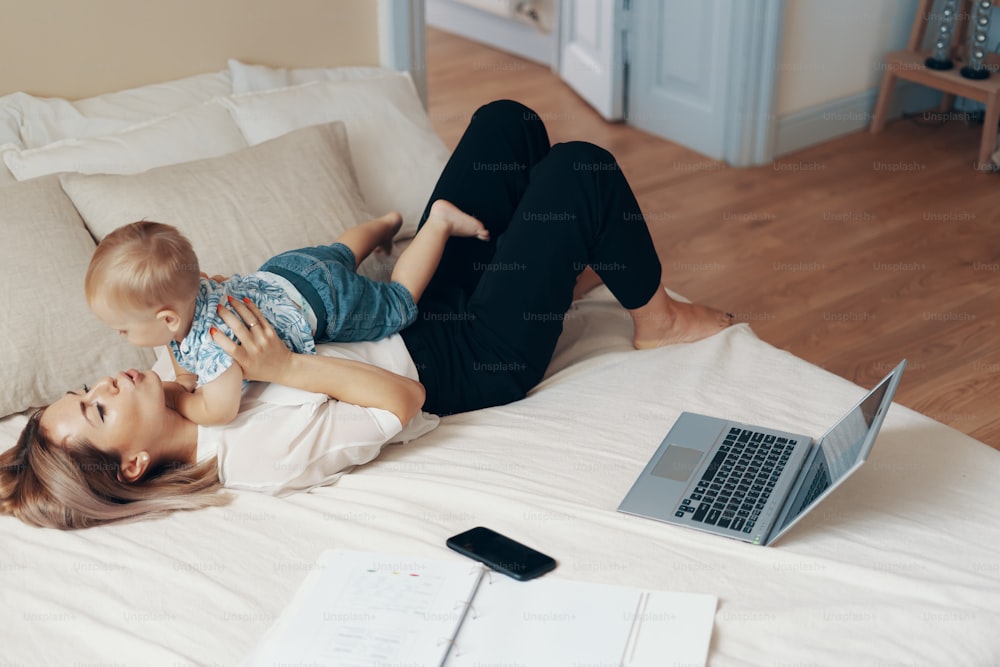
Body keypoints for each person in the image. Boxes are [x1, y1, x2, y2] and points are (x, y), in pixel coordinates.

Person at [0, 100, 733, 529]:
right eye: (96, 409)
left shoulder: (176, 366)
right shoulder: (249, 458)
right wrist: (284, 367)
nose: (105, 383)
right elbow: (404, 399)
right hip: (466, 361)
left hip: (406, 309)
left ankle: (550, 271)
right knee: (577, 169)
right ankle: (656, 316)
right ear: (131, 463)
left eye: (85, 389)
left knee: (505, 122)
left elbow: (215, 297)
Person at [84, 202, 489, 426]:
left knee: (399, 303)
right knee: (341, 252)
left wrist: (180, 397)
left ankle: (438, 223)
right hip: (286, 269)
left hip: (330, 303)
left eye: (122, 330)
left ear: (168, 319)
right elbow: (180, 343)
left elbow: (219, 410)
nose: (120, 336)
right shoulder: (195, 286)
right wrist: (185, 375)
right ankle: (386, 223)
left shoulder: (217, 350)